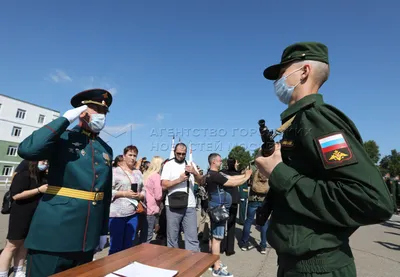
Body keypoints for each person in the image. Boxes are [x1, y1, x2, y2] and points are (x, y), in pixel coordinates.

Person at [256, 42, 393, 277]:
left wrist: (278, 172)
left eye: (281, 73)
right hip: (299, 263)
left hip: (317, 267)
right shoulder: (297, 122)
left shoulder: (315, 119)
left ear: (304, 72)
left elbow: (372, 199)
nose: (277, 82)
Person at [17, 88, 114, 277]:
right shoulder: (62, 138)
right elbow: (27, 150)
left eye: (104, 111)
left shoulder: (106, 149)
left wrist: (102, 230)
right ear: (82, 111)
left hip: (87, 237)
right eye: (95, 108)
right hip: (54, 234)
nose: (101, 115)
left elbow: (105, 194)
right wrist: (64, 119)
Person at [205, 153, 252, 277]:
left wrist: (243, 176)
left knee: (213, 236)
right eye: (219, 161)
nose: (221, 163)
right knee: (217, 238)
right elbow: (232, 182)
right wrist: (246, 177)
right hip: (218, 210)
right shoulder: (215, 175)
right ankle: (216, 268)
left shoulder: (212, 174)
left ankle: (214, 261)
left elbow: (233, 179)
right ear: (214, 162)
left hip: (215, 208)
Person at [0, 161, 48, 277]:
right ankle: (3, 272)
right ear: (34, 162)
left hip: (34, 214)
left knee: (25, 244)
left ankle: (18, 270)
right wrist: (38, 190)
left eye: (47, 162)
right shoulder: (23, 175)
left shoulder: (42, 177)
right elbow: (16, 195)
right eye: (43, 161)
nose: (45, 164)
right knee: (12, 245)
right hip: (20, 214)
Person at [161, 143, 203, 252]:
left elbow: (201, 181)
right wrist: (179, 180)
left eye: (183, 154)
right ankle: (174, 261)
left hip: (189, 205)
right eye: (178, 153)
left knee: (192, 237)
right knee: (172, 237)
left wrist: (194, 172)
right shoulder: (168, 165)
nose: (181, 156)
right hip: (172, 204)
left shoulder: (190, 163)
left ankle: (193, 263)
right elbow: (164, 185)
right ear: (174, 152)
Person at [109, 145, 145, 254]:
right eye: (130, 155)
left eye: (135, 155)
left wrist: (140, 196)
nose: (132, 158)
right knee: (116, 246)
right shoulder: (114, 171)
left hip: (133, 213)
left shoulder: (138, 172)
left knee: (129, 245)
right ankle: (112, 269)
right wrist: (124, 193)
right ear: (124, 156)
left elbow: (144, 189)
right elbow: (107, 191)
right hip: (117, 214)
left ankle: (125, 269)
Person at [219, 158, 240, 256]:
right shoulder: (238, 174)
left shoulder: (222, 173)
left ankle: (221, 247)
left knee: (222, 224)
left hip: (224, 199)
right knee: (231, 225)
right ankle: (230, 249)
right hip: (234, 200)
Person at [142, 156, 164, 242]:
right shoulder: (156, 177)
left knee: (145, 233)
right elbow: (158, 196)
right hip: (152, 208)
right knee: (148, 234)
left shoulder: (146, 175)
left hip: (145, 206)